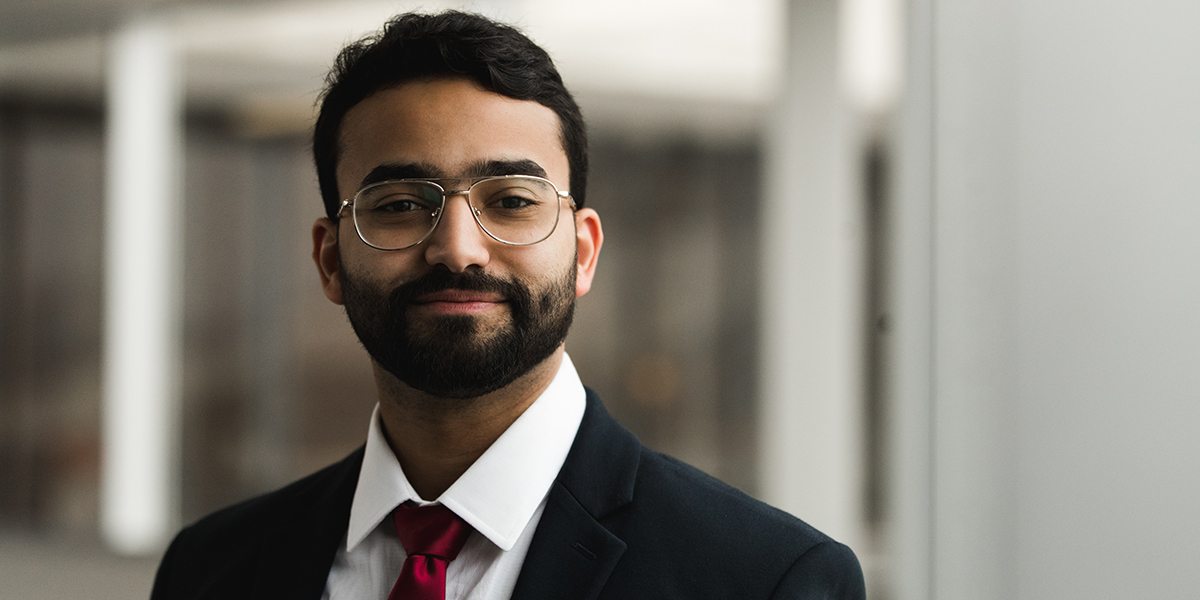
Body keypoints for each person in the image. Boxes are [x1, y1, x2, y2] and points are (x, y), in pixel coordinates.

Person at [149, 10, 865, 600]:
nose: (457, 248)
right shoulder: (209, 571)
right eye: (400, 204)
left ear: (583, 252)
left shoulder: (765, 582)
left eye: (513, 201)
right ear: (331, 259)